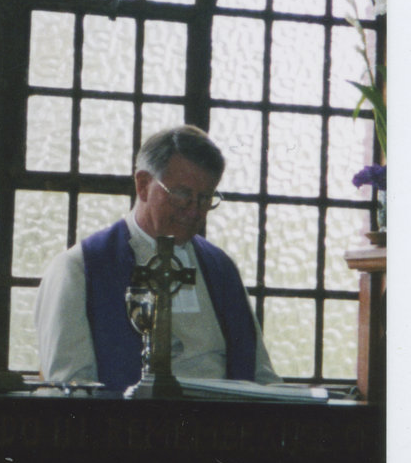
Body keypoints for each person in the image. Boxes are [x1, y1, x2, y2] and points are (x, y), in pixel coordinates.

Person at [35, 124, 278, 391]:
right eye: (182, 195)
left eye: (205, 198)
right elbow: (70, 387)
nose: (194, 211)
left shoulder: (221, 269)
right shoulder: (79, 269)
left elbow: (260, 376)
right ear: (142, 184)